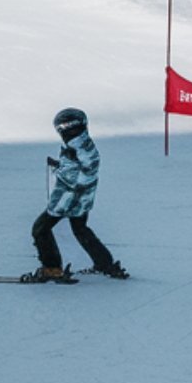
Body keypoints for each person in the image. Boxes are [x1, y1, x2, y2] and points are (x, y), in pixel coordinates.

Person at [30, 108, 129, 282]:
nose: (66, 133)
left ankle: (52, 268)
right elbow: (76, 167)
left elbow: (88, 170)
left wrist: (74, 186)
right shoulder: (78, 144)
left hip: (68, 198)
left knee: (40, 229)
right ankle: (105, 264)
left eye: (68, 129)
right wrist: (60, 166)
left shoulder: (80, 147)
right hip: (79, 199)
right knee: (80, 229)